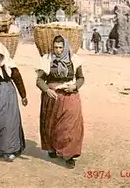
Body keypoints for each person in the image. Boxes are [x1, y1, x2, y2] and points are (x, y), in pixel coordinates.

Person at [36, 35, 85, 169]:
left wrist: (74, 86)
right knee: (51, 124)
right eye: (55, 47)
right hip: (52, 96)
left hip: (70, 94)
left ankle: (70, 154)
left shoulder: (74, 59)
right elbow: (39, 80)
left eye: (60, 47)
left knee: (70, 125)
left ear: (65, 47)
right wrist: (46, 89)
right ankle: (52, 147)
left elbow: (81, 78)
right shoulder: (47, 60)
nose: (58, 50)